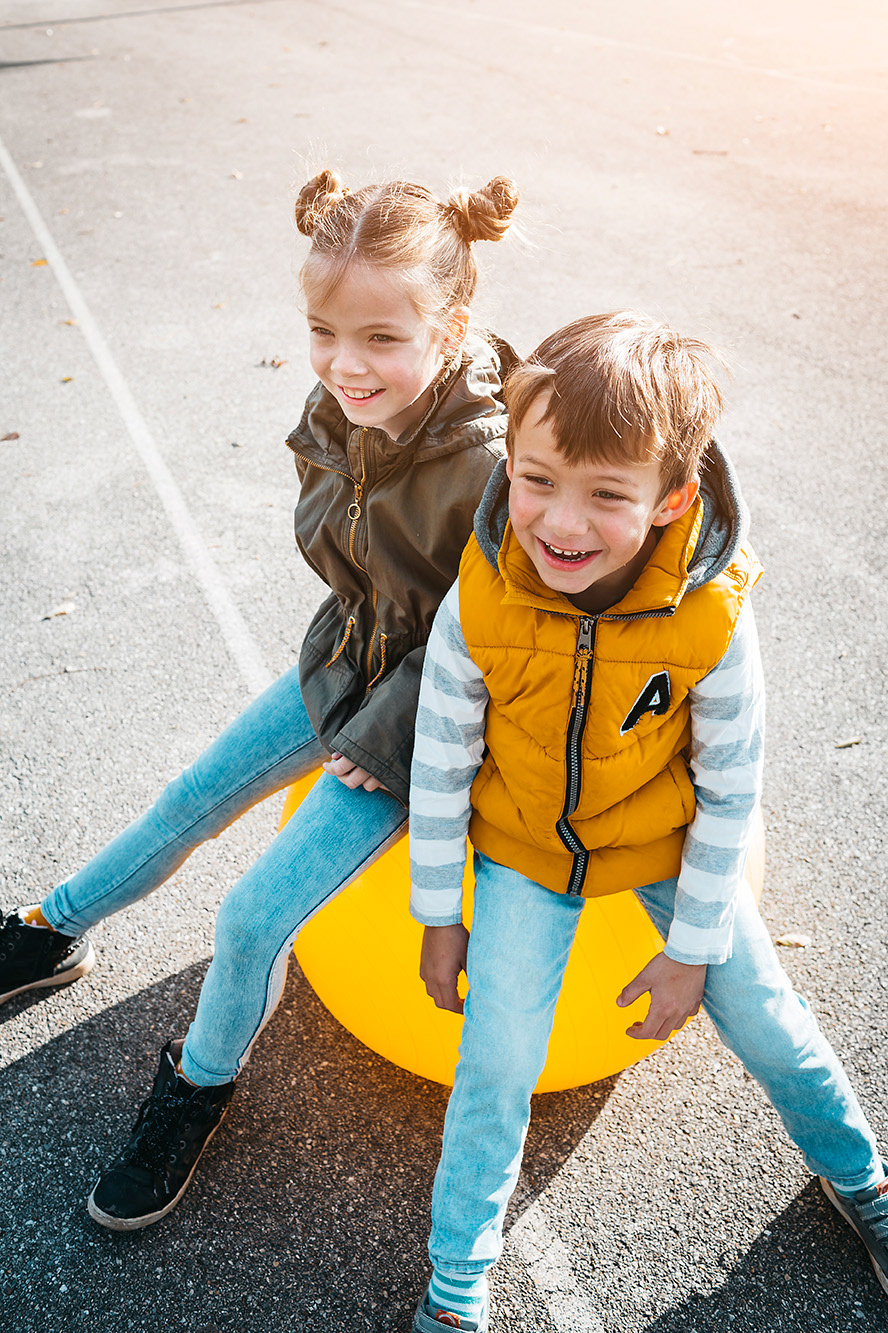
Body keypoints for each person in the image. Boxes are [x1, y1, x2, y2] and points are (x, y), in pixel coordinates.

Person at [0, 168, 519, 1232]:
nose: (344, 362)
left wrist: (385, 733)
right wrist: (348, 669)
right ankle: (48, 933)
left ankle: (197, 1086)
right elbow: (355, 565)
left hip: (431, 724)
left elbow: (491, 638)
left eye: (381, 337)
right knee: (186, 801)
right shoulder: (342, 405)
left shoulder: (496, 466)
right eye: (324, 331)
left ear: (453, 327)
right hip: (349, 662)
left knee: (249, 919)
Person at [407, 312, 887, 1331]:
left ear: (673, 498)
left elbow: (732, 788)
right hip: (526, 850)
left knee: (772, 1023)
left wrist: (693, 949)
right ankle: (455, 1283)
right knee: (495, 1066)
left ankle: (864, 1180)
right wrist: (440, 912)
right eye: (537, 479)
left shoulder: (711, 617)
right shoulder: (479, 600)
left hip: (664, 843)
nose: (561, 521)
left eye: (607, 494)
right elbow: (439, 763)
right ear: (510, 459)